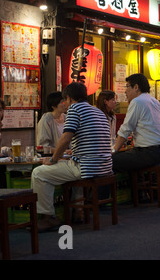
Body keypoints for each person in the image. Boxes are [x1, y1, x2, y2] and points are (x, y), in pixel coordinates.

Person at [31, 82, 113, 232]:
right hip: (105, 166)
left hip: (87, 167)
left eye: (65, 100)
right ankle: (77, 212)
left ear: (68, 98)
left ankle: (48, 217)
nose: (65, 104)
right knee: (70, 168)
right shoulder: (98, 112)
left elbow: (66, 138)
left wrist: (53, 159)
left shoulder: (75, 109)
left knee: (39, 173)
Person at [112, 74, 160, 173]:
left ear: (136, 87)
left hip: (150, 153)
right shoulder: (155, 101)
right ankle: (140, 187)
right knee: (127, 158)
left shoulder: (137, 101)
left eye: (127, 86)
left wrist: (114, 150)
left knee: (109, 161)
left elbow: (126, 129)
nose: (125, 91)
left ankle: (134, 188)